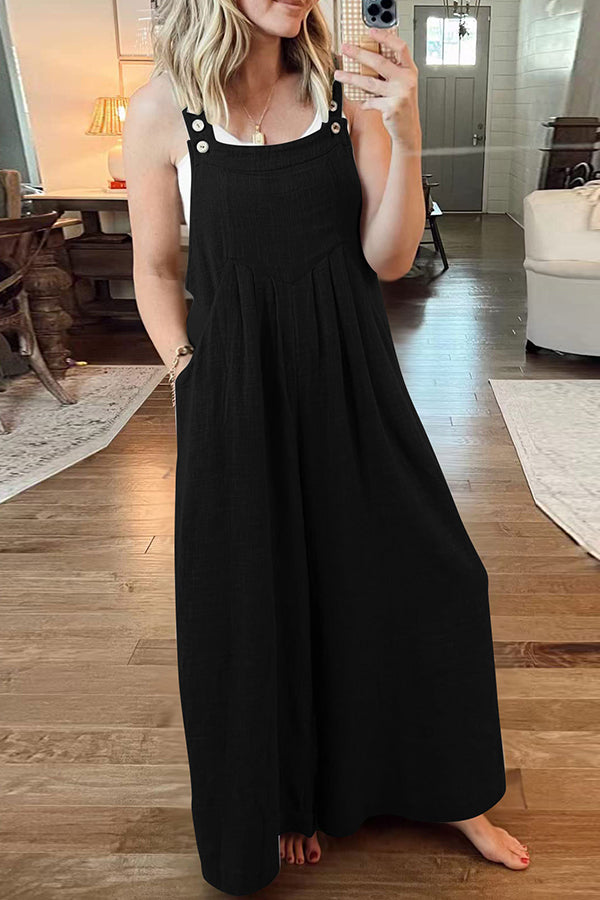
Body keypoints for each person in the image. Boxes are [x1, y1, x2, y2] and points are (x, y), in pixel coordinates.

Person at [123, 0, 531, 894]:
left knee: (432, 573)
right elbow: (154, 268)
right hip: (234, 389)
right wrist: (189, 371)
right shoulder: (161, 109)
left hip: (352, 376)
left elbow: (388, 259)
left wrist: (406, 130)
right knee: (256, 596)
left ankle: (450, 789)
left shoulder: (342, 95)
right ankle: (286, 796)